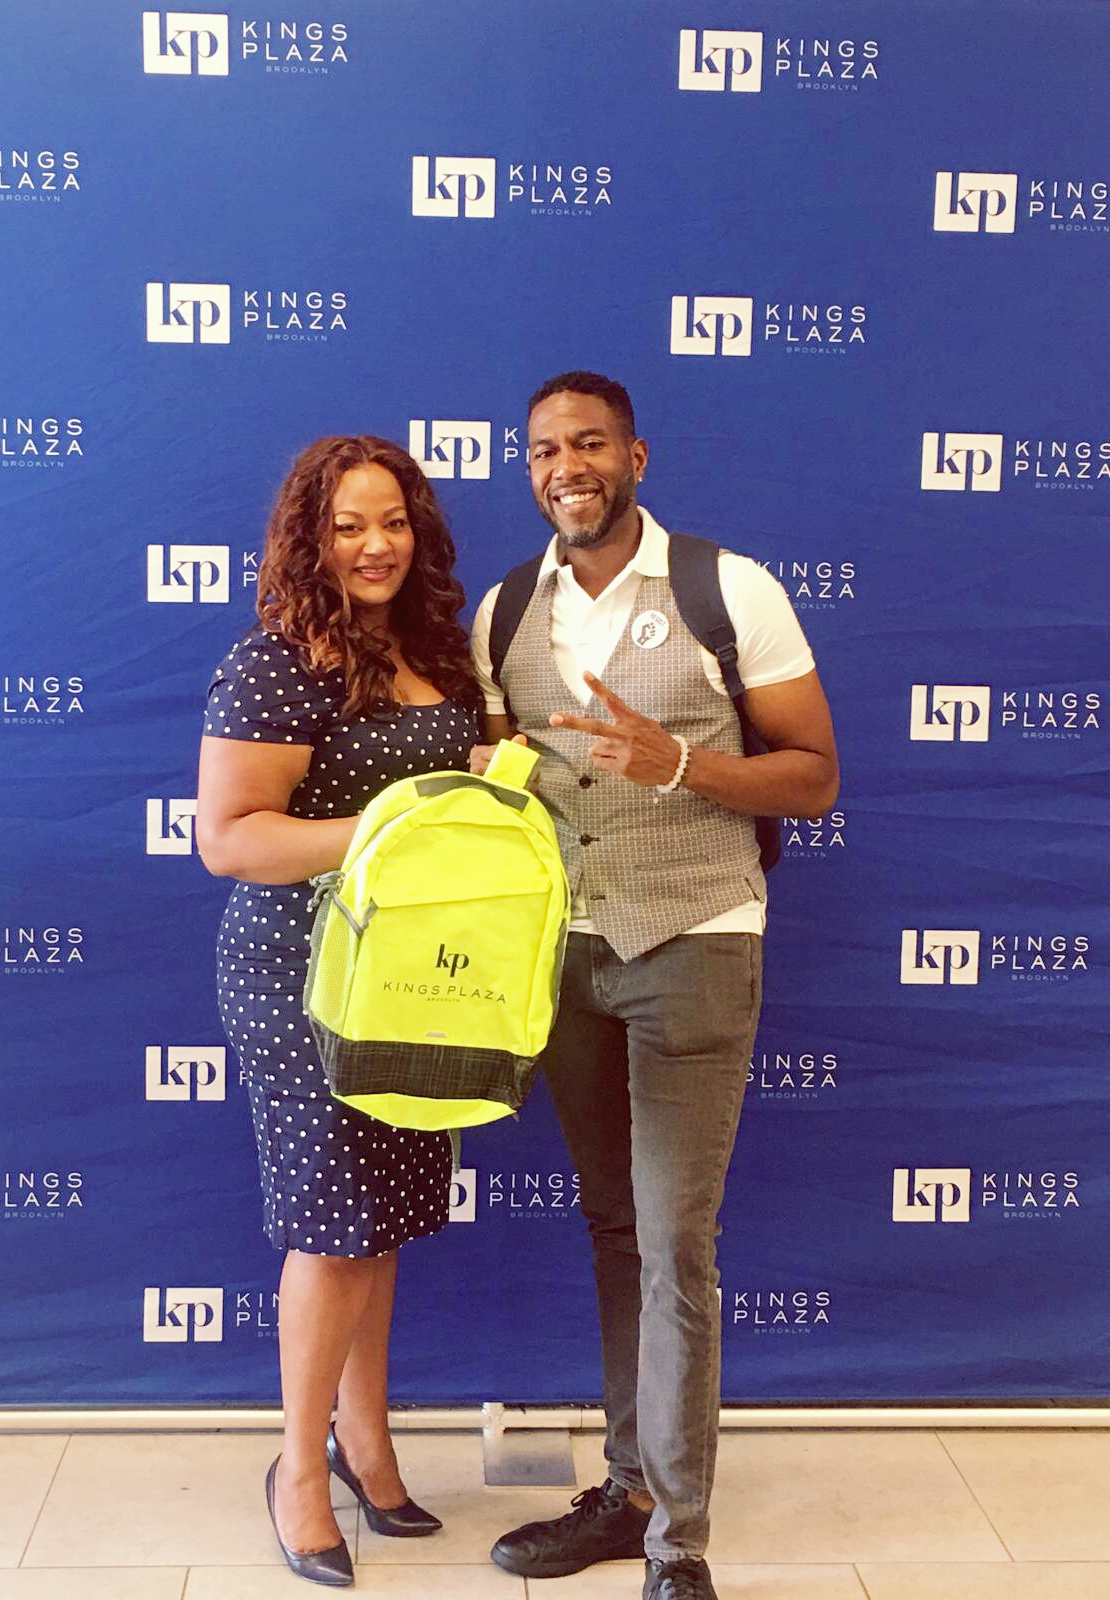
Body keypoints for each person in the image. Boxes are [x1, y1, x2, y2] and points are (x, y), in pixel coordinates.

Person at [469, 373, 839, 1600]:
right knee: (616, 1226)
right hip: (567, 957)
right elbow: (506, 776)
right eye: (542, 450)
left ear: (636, 455)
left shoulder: (728, 590)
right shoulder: (504, 607)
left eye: (587, 444)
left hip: (697, 935)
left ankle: (679, 1543)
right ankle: (628, 1490)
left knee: (676, 1240)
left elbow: (813, 778)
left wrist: (680, 759)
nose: (564, 464)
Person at [196, 435, 482, 1587]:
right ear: (311, 539)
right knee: (333, 1227)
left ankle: (367, 1442)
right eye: (351, 526)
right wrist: (394, 831)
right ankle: (297, 1470)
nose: (376, 547)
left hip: (418, 977)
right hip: (302, 979)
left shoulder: (434, 653)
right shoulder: (274, 662)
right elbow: (232, 836)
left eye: (395, 523)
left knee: (385, 1219)